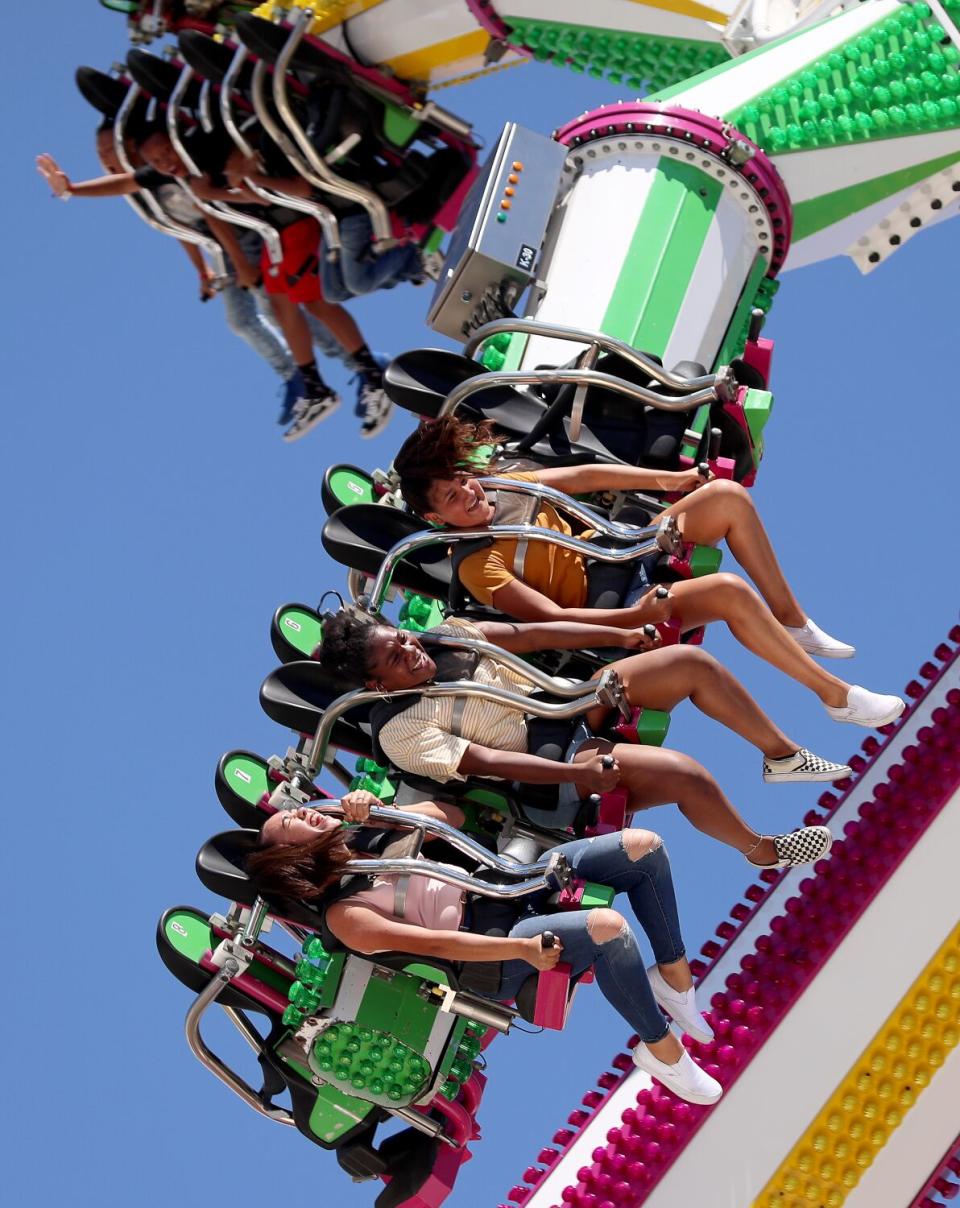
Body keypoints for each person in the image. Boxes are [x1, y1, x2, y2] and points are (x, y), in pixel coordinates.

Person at [392, 417, 905, 730]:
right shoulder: (478, 562)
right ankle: (836, 697)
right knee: (728, 591)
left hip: (620, 552)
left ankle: (792, 620)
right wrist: (627, 620)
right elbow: (548, 620)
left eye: (463, 481)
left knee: (727, 497)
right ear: (438, 519)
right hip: (609, 609)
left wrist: (675, 480)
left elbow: (586, 476)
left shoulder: (507, 485)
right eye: (453, 499)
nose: (470, 495)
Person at [250, 794, 724, 1105]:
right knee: (608, 928)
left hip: (509, 883)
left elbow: (448, 817)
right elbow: (435, 944)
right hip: (494, 947)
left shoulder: (371, 837)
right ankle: (661, 1052)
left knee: (644, 847)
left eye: (296, 809)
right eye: (289, 823)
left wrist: (378, 811)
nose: (302, 812)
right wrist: (521, 950)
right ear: (289, 860)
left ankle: (674, 979)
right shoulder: (345, 914)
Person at [316, 611, 842, 868]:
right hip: (549, 763)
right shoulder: (399, 730)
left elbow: (532, 635)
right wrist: (578, 774)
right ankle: (760, 850)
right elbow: (487, 760)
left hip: (565, 703)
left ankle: (781, 755)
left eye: (402, 638)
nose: (411, 649)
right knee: (686, 773)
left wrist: (623, 632)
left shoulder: (447, 635)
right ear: (376, 683)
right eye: (394, 657)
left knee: (690, 663)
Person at [36, 127, 388, 439]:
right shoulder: (169, 178)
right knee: (278, 306)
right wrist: (70, 190)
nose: (163, 163)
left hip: (276, 226)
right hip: (260, 235)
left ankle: (367, 371)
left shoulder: (200, 155)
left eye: (166, 153)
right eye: (155, 161)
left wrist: (225, 205)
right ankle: (315, 382)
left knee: (307, 304)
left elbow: (232, 205)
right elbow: (155, 205)